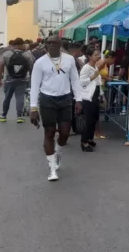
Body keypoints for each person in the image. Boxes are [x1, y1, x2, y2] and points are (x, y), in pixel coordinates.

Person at [29, 35, 83, 181]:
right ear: (46, 46)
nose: (52, 45)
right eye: (49, 43)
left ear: (60, 45)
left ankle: (58, 152)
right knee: (49, 132)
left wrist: (78, 99)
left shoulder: (69, 59)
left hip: (65, 99)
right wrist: (33, 108)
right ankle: (52, 168)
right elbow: (34, 85)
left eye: (55, 43)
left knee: (65, 133)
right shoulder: (40, 63)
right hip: (47, 99)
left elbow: (75, 80)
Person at [0, 38, 35, 122]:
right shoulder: (27, 54)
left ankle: (3, 115)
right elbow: (31, 67)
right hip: (22, 79)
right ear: (21, 45)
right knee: (20, 97)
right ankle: (19, 116)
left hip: (9, 80)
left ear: (14, 45)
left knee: (7, 97)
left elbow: (0, 65)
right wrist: (31, 78)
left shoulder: (6, 54)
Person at [78, 46, 103, 152]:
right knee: (89, 119)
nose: (98, 56)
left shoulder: (95, 67)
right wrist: (92, 77)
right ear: (89, 56)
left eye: (98, 54)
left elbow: (98, 83)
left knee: (94, 118)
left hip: (95, 94)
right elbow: (81, 82)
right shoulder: (86, 68)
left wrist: (102, 95)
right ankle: (84, 141)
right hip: (88, 96)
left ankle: (90, 138)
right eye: (96, 55)